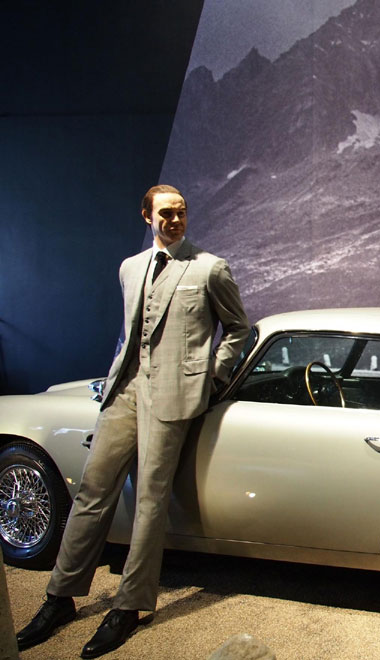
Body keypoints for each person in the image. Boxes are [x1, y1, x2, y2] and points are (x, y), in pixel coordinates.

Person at [16, 185, 250, 658]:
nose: (176, 219)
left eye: (181, 212)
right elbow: (131, 333)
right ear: (147, 216)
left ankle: (128, 606)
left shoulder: (209, 268)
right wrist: (117, 372)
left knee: (150, 500)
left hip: (174, 396)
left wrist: (209, 379)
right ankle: (59, 597)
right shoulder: (129, 267)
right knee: (91, 492)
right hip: (124, 391)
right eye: (166, 213)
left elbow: (239, 329)